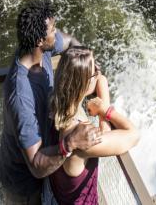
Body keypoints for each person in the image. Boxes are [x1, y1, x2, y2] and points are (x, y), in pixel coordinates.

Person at [0, 1, 102, 204]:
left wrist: (86, 63)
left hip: (46, 163)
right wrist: (71, 143)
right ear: (39, 40)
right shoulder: (21, 96)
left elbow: (71, 42)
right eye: (53, 30)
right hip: (24, 184)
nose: (57, 33)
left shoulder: (40, 50)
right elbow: (36, 165)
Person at [49, 46, 141, 205]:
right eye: (94, 72)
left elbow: (104, 133)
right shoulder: (79, 137)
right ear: (83, 84)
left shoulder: (57, 105)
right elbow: (133, 135)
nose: (97, 74)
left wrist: (101, 82)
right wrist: (105, 110)